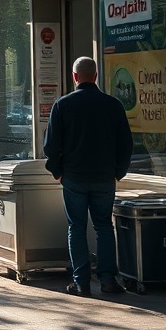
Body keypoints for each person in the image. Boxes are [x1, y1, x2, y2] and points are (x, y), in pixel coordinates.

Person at [43, 56, 133, 297]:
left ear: (75, 77)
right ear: (95, 75)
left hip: (73, 177)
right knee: (104, 226)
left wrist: (57, 172)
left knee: (76, 227)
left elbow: (51, 146)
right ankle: (108, 280)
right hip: (104, 176)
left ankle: (81, 282)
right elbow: (126, 144)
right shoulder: (113, 105)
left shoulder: (62, 105)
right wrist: (118, 172)